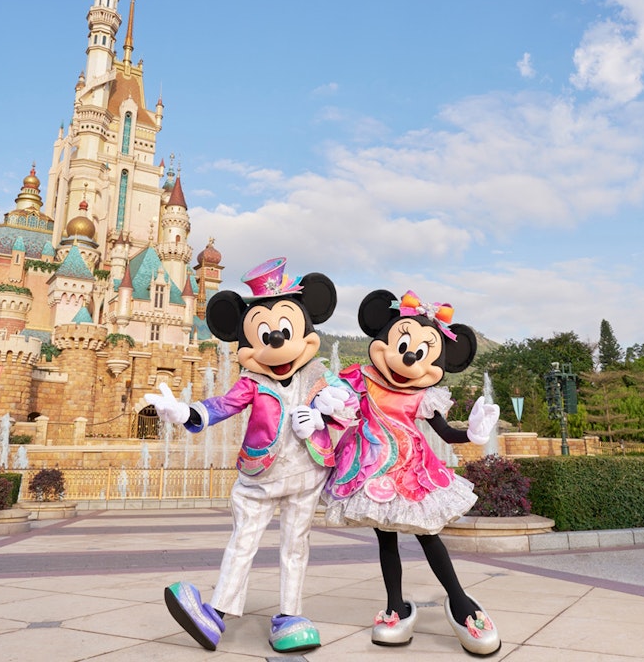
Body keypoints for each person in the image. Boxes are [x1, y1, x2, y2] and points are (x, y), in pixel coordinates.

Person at [145, 257, 355, 653]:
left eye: (285, 330)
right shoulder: (252, 382)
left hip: (307, 475)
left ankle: (290, 615)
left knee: (296, 544)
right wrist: (185, 412)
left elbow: (348, 405)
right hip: (260, 477)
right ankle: (216, 614)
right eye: (265, 334)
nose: (276, 340)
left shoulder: (319, 375)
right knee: (244, 540)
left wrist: (324, 414)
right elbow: (221, 405)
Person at [324, 289, 501, 655]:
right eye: (402, 344)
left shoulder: (422, 395)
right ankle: (396, 606)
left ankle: (460, 601)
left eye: (421, 353)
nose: (408, 356)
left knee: (429, 536)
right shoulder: (362, 379)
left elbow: (445, 433)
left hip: (414, 473)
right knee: (385, 537)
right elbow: (336, 407)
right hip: (374, 472)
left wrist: (472, 433)